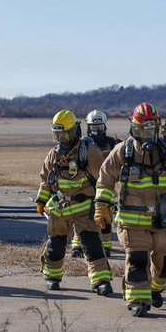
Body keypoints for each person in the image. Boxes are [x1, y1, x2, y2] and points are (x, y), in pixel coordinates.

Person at [94, 102, 166, 317]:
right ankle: (137, 300)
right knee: (137, 261)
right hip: (133, 224)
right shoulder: (122, 151)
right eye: (139, 129)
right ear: (132, 128)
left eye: (149, 130)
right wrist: (101, 205)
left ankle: (154, 289)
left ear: (158, 129)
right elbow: (105, 181)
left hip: (164, 222)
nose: (144, 134)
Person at [35, 110, 112, 294]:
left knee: (92, 245)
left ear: (75, 131)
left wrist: (104, 204)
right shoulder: (53, 155)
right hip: (60, 210)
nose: (62, 139)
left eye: (65, 134)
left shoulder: (90, 153)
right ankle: (52, 277)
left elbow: (103, 180)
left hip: (84, 210)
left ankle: (100, 281)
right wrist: (41, 200)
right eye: (57, 135)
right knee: (55, 246)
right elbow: (46, 180)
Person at [70, 110, 120, 259]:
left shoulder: (114, 144)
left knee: (106, 216)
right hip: (86, 186)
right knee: (82, 217)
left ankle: (105, 248)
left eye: (99, 127)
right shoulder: (82, 144)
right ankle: (76, 247)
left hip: (106, 186)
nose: (97, 130)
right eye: (93, 127)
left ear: (104, 126)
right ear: (88, 128)